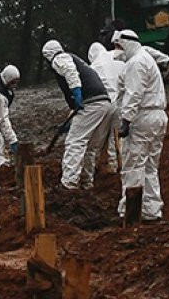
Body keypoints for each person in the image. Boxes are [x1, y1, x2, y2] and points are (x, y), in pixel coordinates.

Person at [41, 40, 116, 190]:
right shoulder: (76, 59)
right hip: (105, 104)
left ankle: (68, 183)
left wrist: (76, 92)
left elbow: (70, 71)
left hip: (91, 104)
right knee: (90, 146)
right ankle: (86, 182)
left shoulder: (59, 58)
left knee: (75, 142)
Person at [112, 30, 168, 222]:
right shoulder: (145, 57)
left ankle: (131, 213)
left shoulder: (136, 63)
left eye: (118, 46)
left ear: (125, 44)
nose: (116, 51)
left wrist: (126, 120)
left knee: (133, 166)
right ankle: (151, 211)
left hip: (142, 117)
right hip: (158, 116)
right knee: (150, 167)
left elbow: (133, 93)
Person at [88, 42, 126, 173]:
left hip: (103, 104)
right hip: (120, 102)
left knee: (97, 138)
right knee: (117, 136)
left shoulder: (92, 67)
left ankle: (93, 168)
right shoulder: (116, 58)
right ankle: (116, 165)